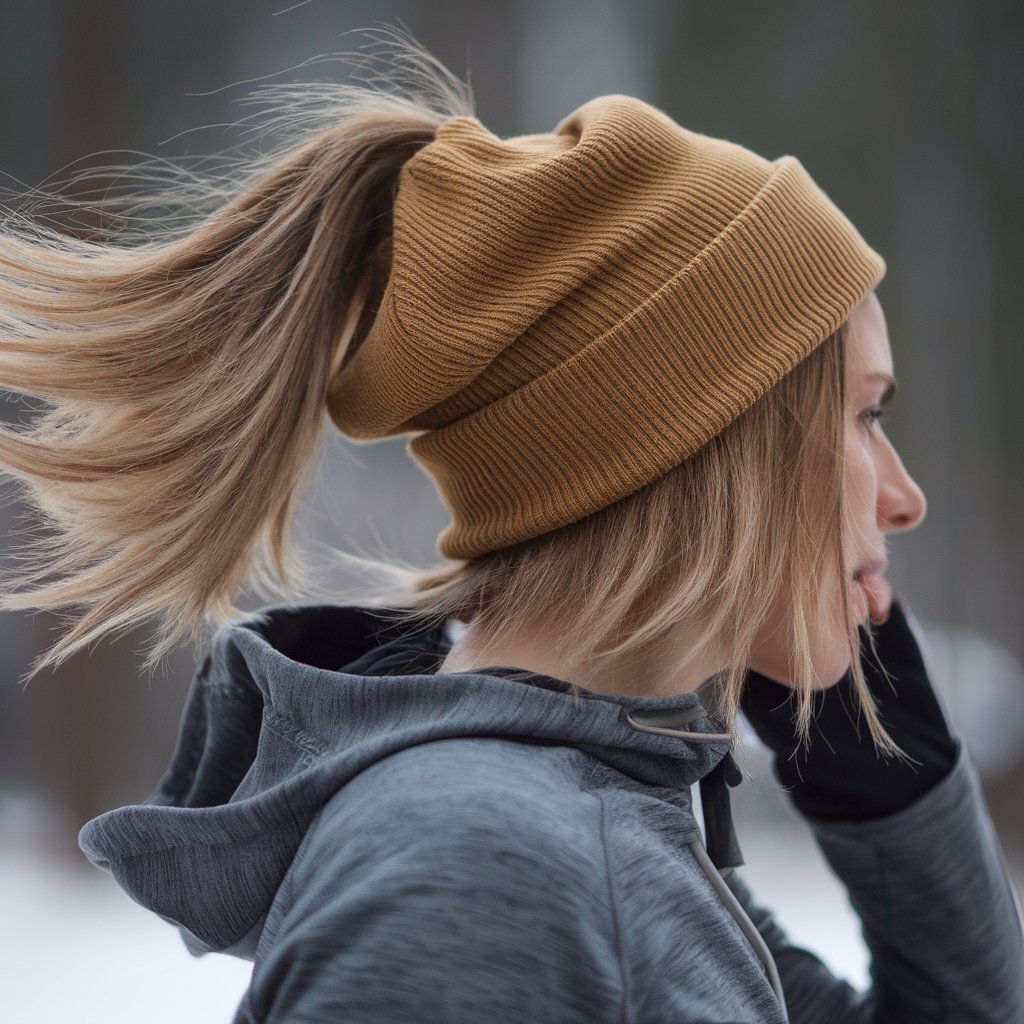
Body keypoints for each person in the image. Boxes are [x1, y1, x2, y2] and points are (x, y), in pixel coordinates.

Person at [2, 25, 1022, 1024]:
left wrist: (897, 793)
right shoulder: (488, 870)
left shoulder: (596, 826)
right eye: (863, 415)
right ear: (698, 443)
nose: (902, 495)